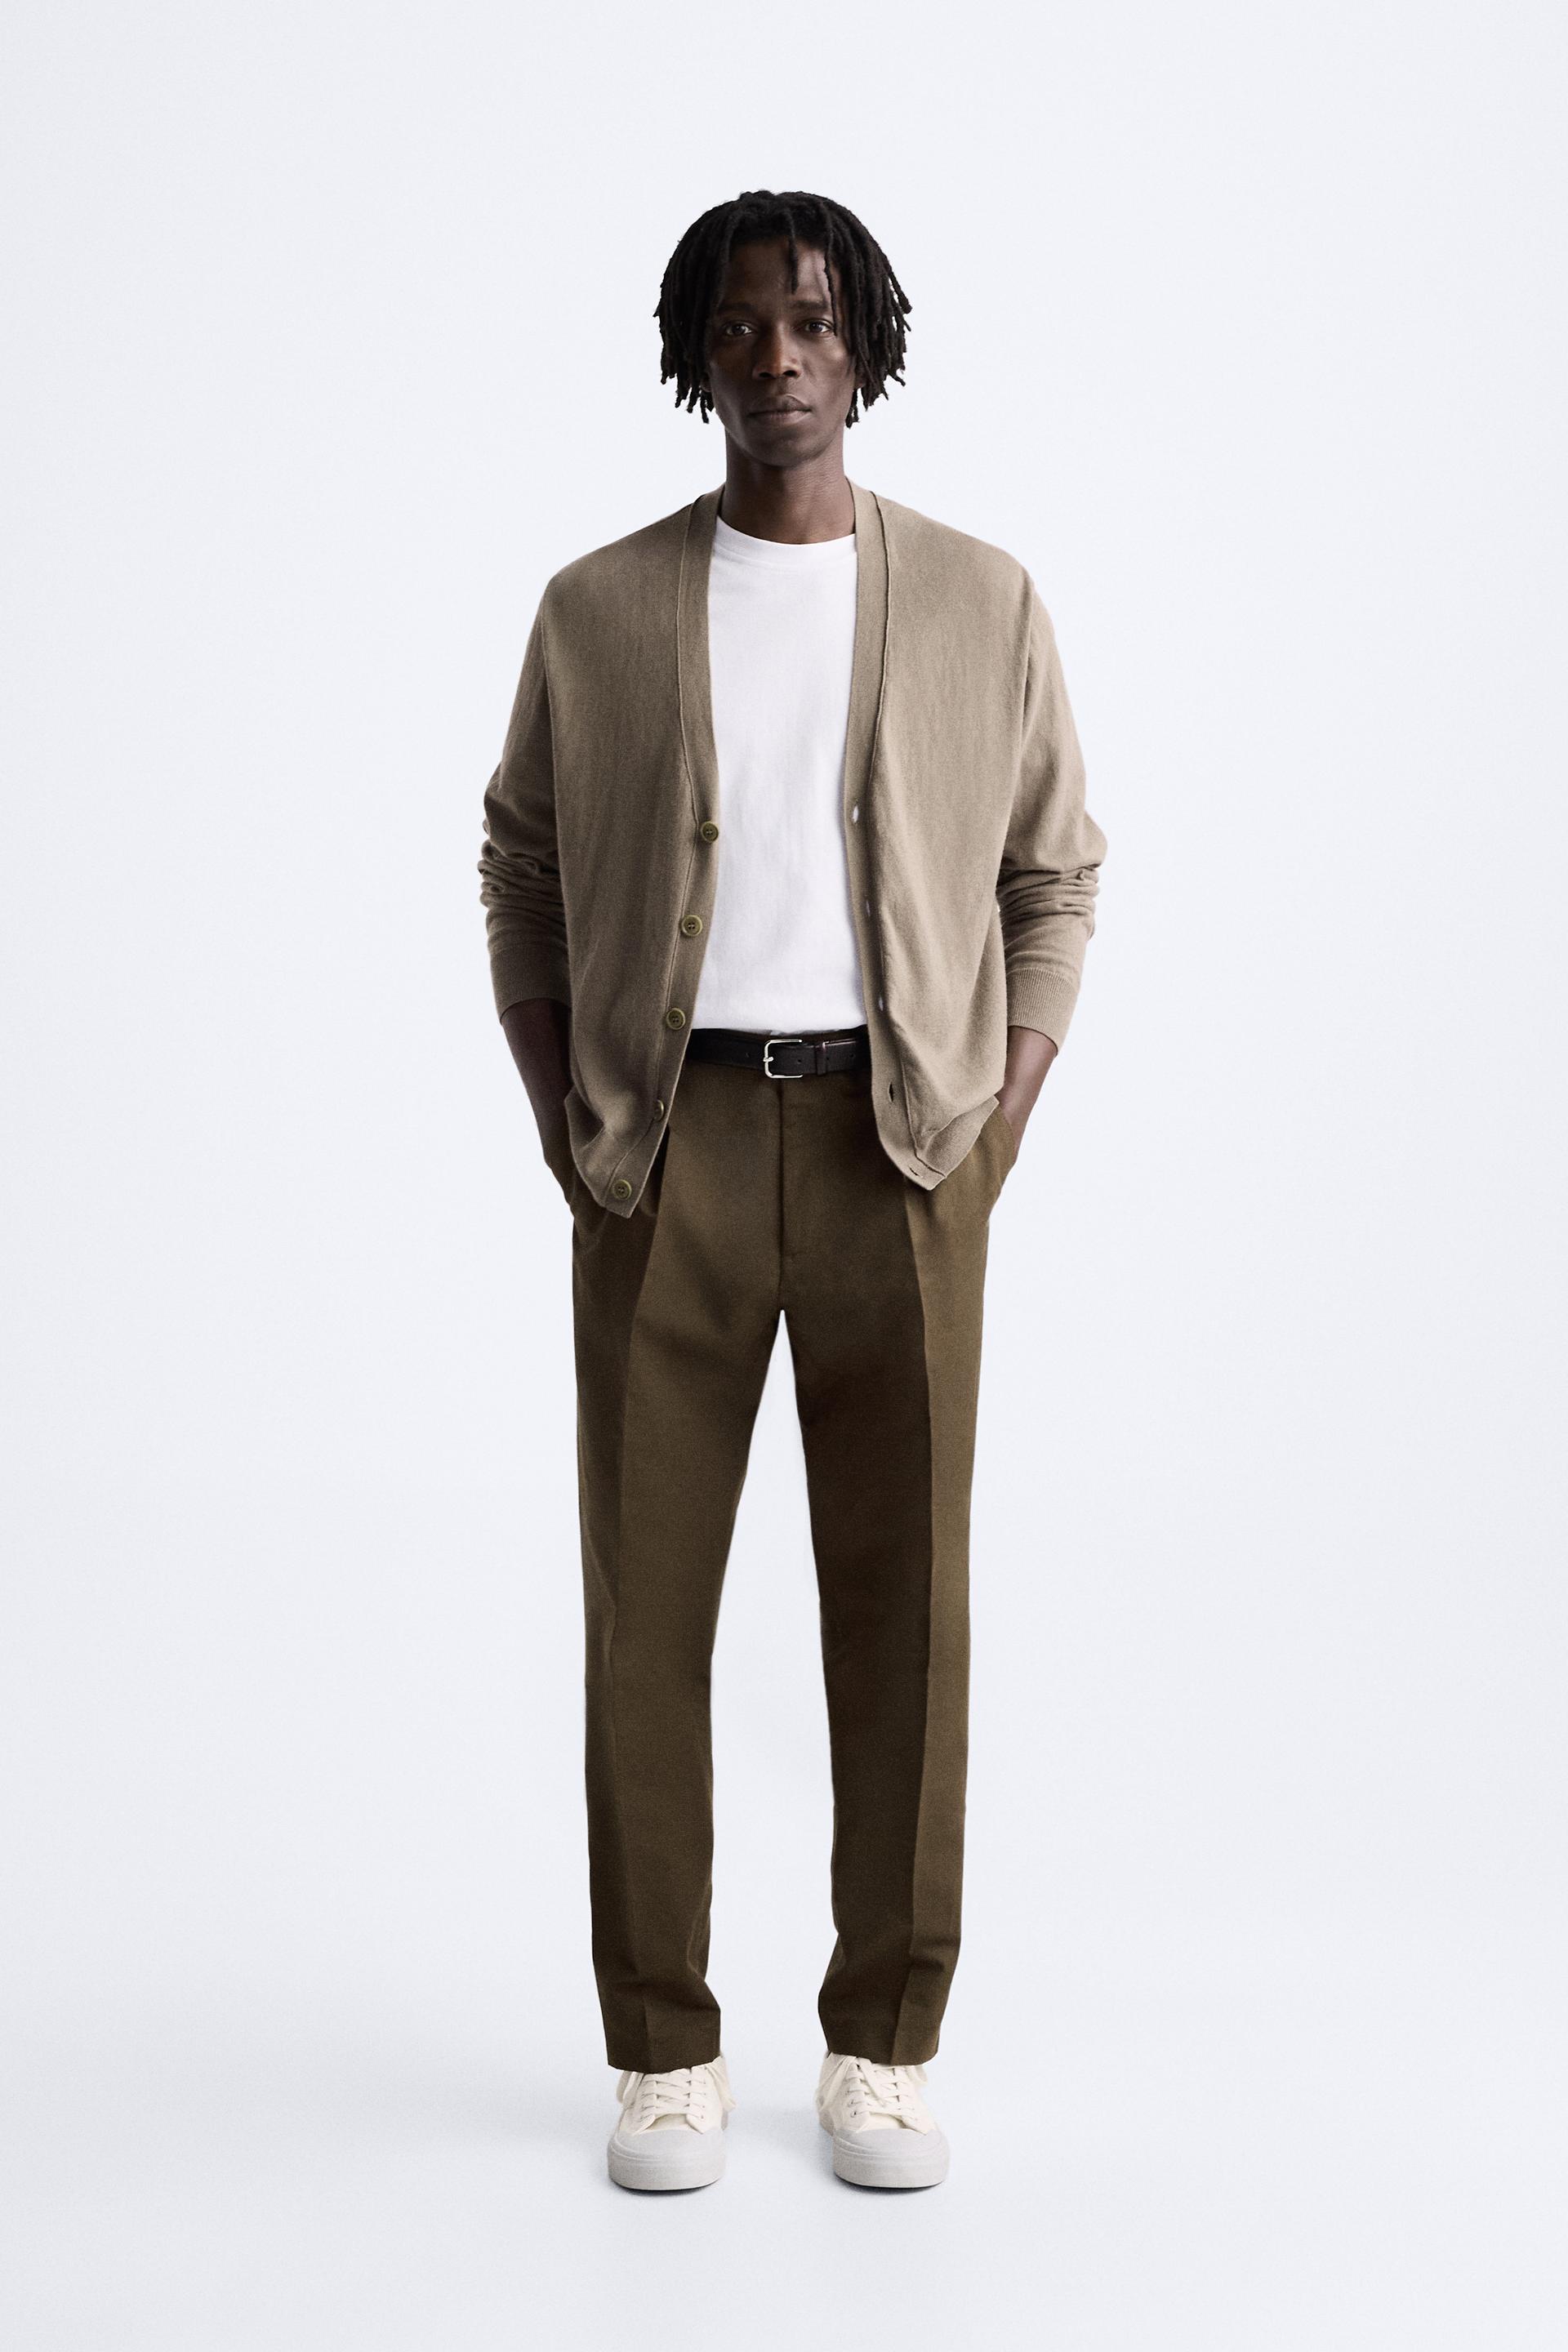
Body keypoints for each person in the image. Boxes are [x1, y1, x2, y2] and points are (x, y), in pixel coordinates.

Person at [478, 188, 1107, 2193]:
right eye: (744, 325)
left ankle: (884, 2045)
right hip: (660, 1155)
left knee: (906, 1610)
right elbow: (520, 864)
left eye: (816, 321)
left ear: (868, 346)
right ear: (698, 353)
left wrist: (996, 1124)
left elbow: (1054, 874)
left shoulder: (982, 600)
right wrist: (569, 1117)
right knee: (644, 1608)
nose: (781, 360)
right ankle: (663, 2047)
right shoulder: (598, 610)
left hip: (900, 1151)